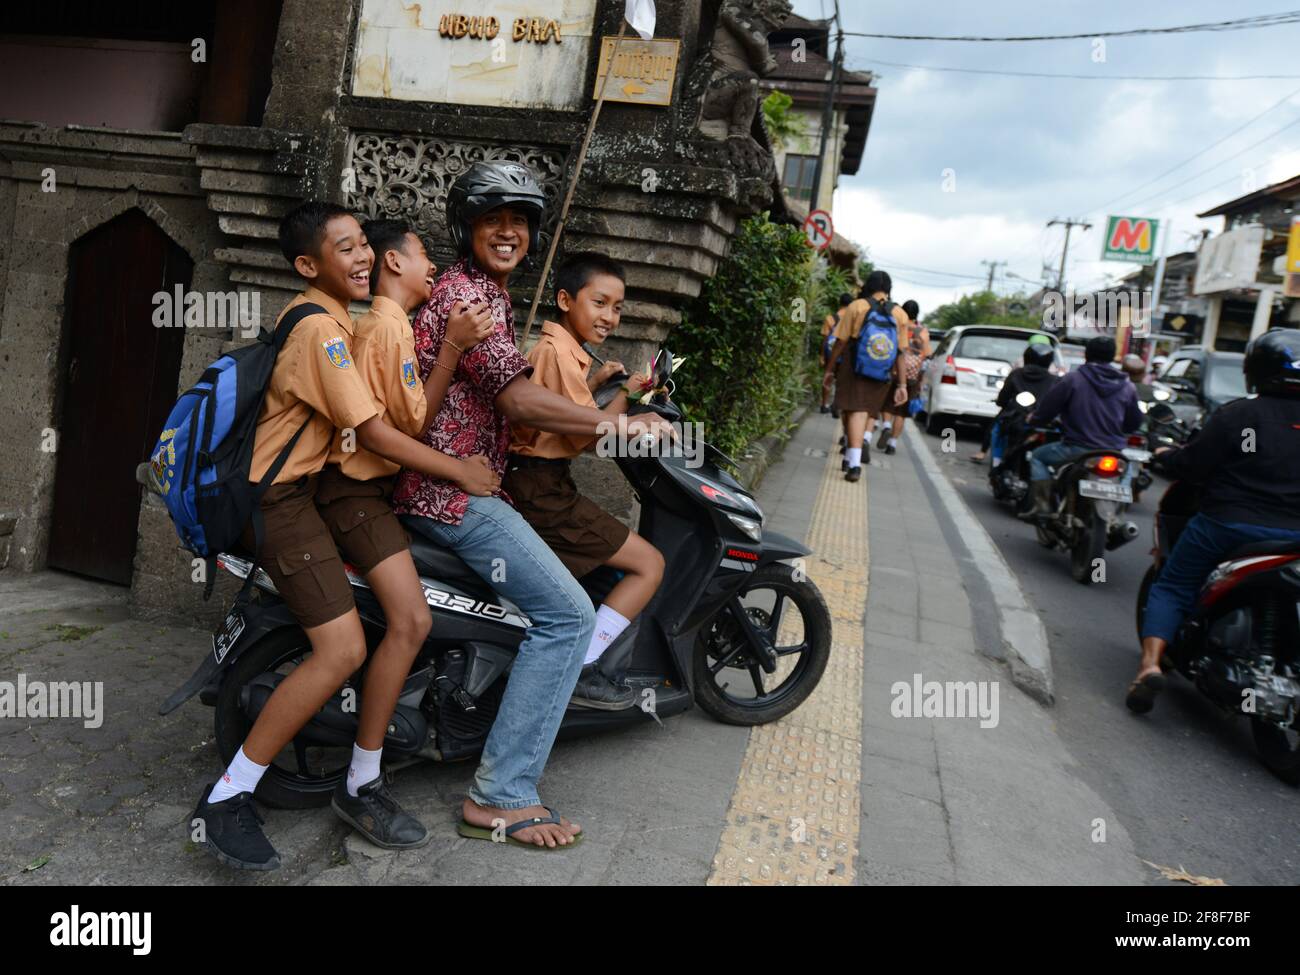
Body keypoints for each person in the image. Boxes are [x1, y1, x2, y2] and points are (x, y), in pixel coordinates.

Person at [191, 202, 500, 869]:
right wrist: (461, 471)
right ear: (309, 265)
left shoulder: (334, 320)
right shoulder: (323, 333)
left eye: (363, 243)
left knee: (396, 624)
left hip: (299, 494)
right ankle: (229, 795)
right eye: (345, 249)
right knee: (341, 649)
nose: (362, 257)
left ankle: (362, 781)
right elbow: (381, 433)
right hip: (281, 500)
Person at [393, 161, 671, 849]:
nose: (509, 231)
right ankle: (500, 795)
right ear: (467, 226)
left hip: (466, 486)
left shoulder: (483, 291)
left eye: (520, 220)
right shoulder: (471, 297)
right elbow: (517, 400)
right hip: (452, 496)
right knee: (570, 615)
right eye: (494, 218)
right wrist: (620, 424)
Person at [504, 252, 664, 710]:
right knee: (649, 564)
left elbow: (580, 425)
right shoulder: (555, 352)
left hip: (543, 483)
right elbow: (589, 435)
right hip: (543, 490)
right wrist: (636, 416)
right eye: (599, 303)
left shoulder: (563, 351)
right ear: (564, 299)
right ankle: (583, 667)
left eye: (617, 308)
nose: (609, 317)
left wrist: (614, 391)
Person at [1127, 328, 1300, 713]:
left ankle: (1150, 665)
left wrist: (1166, 455)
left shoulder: (1239, 414)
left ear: (1255, 369)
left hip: (1230, 525)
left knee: (1172, 584)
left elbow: (1193, 465)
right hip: (1295, 538)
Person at [1019, 335, 1142, 522]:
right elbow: (1133, 423)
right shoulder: (1128, 386)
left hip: (1076, 448)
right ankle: (1117, 516)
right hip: (1113, 451)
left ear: (1086, 355)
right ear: (1112, 357)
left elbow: (1046, 411)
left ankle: (1042, 507)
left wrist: (1034, 419)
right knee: (1125, 471)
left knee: (1038, 457)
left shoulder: (1073, 379)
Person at [823, 270, 909, 482]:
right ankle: (861, 445)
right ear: (888, 288)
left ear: (868, 285)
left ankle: (853, 463)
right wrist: (902, 385)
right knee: (867, 412)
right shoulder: (900, 314)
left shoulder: (856, 306)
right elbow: (900, 352)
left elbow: (840, 342)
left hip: (854, 367)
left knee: (854, 411)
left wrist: (829, 369)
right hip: (883, 371)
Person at [972, 333, 1054, 463]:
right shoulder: (1054, 378)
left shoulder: (1017, 373)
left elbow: (1003, 398)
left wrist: (1002, 403)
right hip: (1041, 419)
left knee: (996, 427)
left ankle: (992, 458)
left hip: (1017, 415)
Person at [874, 299, 929, 455]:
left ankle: (886, 425)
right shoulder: (923, 332)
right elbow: (927, 355)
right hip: (911, 376)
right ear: (917, 314)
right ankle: (892, 444)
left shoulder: (899, 325)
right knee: (901, 412)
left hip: (894, 371)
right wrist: (921, 381)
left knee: (887, 405)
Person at [820, 293, 851, 414]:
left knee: (828, 377)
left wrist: (822, 355)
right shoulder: (850, 319)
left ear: (840, 303)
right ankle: (836, 406)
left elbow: (824, 339)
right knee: (841, 381)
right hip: (844, 353)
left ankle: (824, 404)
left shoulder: (830, 318)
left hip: (830, 352)